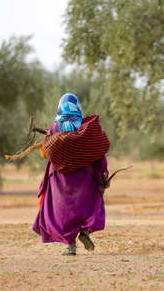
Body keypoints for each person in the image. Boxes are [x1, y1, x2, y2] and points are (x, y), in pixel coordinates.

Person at [32, 93, 109, 256]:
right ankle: (85, 231)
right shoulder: (85, 127)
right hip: (85, 177)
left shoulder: (54, 127)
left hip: (60, 179)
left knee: (64, 212)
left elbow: (46, 154)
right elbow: (98, 151)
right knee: (88, 206)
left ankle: (70, 247)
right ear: (77, 107)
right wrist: (103, 173)